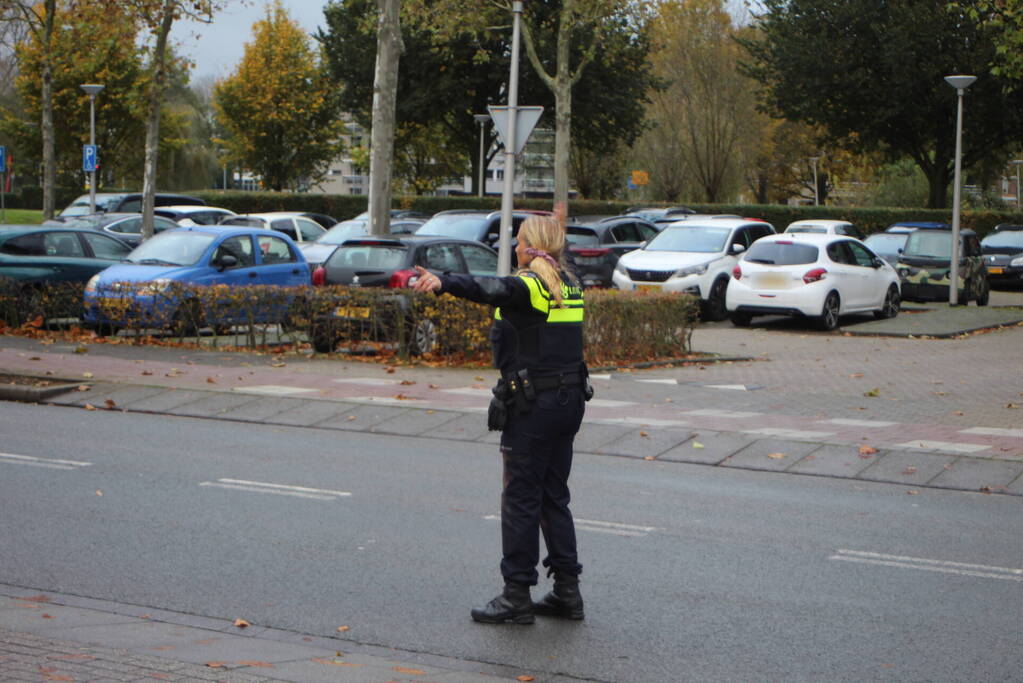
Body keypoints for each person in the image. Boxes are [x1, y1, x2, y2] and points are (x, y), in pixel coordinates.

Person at [411, 214, 590, 625]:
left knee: (520, 499)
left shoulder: (530, 286)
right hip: (569, 401)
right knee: (553, 497)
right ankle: (567, 592)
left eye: (518, 239)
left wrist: (444, 282)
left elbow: (490, 288)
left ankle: (516, 596)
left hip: (534, 405)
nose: (513, 245)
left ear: (529, 247)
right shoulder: (570, 284)